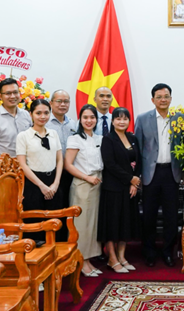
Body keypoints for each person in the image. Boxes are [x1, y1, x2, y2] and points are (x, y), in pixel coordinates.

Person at [134, 83, 182, 268]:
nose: (163, 100)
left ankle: (168, 252)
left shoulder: (180, 118)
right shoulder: (143, 119)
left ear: (171, 99)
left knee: (171, 216)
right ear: (153, 99)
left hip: (171, 173)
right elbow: (138, 149)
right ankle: (149, 252)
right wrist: (137, 175)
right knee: (149, 216)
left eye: (166, 96)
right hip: (150, 174)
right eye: (159, 97)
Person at [98, 107, 141, 273]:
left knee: (125, 223)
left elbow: (139, 161)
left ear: (129, 121)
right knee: (112, 223)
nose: (122, 122)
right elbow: (110, 164)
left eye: (125, 118)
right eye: (118, 118)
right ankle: (112, 258)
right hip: (113, 188)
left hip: (129, 189)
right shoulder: (108, 139)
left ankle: (122, 257)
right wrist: (130, 178)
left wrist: (134, 183)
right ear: (113, 121)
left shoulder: (133, 138)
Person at [16, 99, 63, 240]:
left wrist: (55, 184)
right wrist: (41, 186)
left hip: (54, 183)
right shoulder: (23, 136)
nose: (43, 116)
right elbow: (22, 164)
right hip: (33, 184)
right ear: (31, 114)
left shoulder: (54, 133)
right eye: (38, 113)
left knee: (55, 223)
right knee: (35, 225)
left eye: (46, 113)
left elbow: (60, 160)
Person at [65, 104, 103, 277]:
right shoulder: (75, 139)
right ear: (80, 119)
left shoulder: (99, 138)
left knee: (92, 225)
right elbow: (68, 164)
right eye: (85, 117)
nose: (89, 120)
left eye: (92, 117)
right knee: (81, 225)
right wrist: (87, 178)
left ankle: (88, 260)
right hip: (83, 184)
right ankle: (80, 261)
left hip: (98, 183)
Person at [0, 77, 32, 174]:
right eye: (8, 93)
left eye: (15, 92)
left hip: (27, 170)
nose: (12, 96)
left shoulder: (26, 115)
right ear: (0, 96)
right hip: (5, 172)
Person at [47, 89, 77, 209]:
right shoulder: (45, 122)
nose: (63, 104)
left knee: (68, 204)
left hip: (70, 172)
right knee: (53, 205)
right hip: (51, 171)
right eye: (59, 101)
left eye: (66, 101)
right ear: (51, 103)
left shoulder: (73, 124)